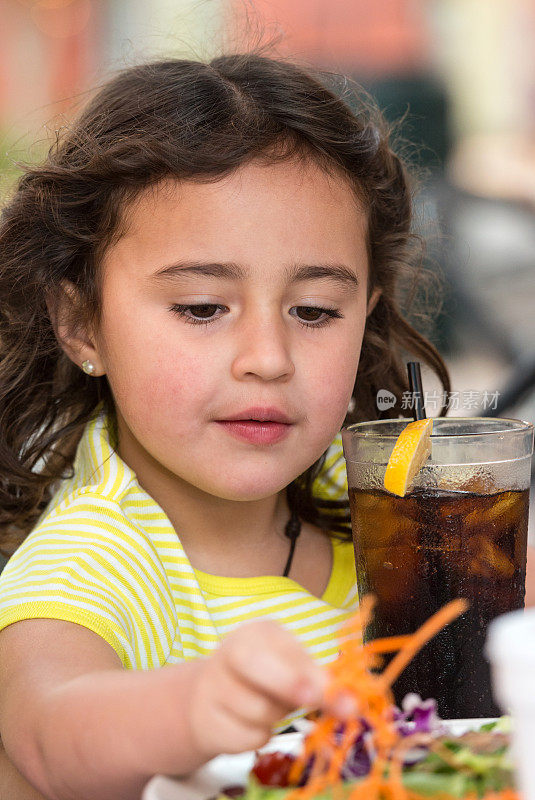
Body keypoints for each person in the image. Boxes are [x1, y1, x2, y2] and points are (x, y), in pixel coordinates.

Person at [0, 52, 450, 800]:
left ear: (365, 314)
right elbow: (51, 730)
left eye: (313, 312)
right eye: (202, 308)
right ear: (81, 324)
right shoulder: (98, 555)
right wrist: (193, 708)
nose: (267, 359)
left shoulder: (379, 503)